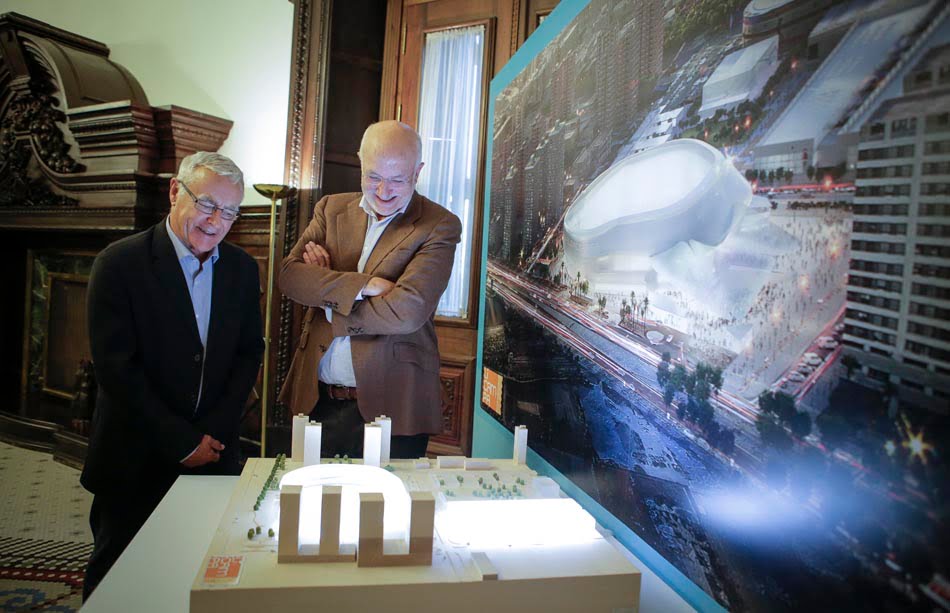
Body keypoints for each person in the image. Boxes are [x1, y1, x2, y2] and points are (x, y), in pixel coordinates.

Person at [81, 152, 264, 600]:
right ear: (174, 192)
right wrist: (181, 440)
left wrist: (213, 433)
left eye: (229, 211)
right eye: (206, 204)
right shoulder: (118, 264)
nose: (216, 221)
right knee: (119, 585)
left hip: (214, 452)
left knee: (199, 580)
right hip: (135, 455)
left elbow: (248, 353)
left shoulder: (242, 269)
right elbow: (116, 369)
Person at [278, 120, 461, 460]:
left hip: (394, 407)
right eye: (373, 176)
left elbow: (407, 312)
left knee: (388, 496)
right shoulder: (330, 209)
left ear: (417, 172)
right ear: (360, 162)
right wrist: (364, 285)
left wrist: (328, 298)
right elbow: (290, 277)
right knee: (311, 494)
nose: (383, 191)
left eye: (397, 180)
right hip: (316, 401)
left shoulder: (439, 225)